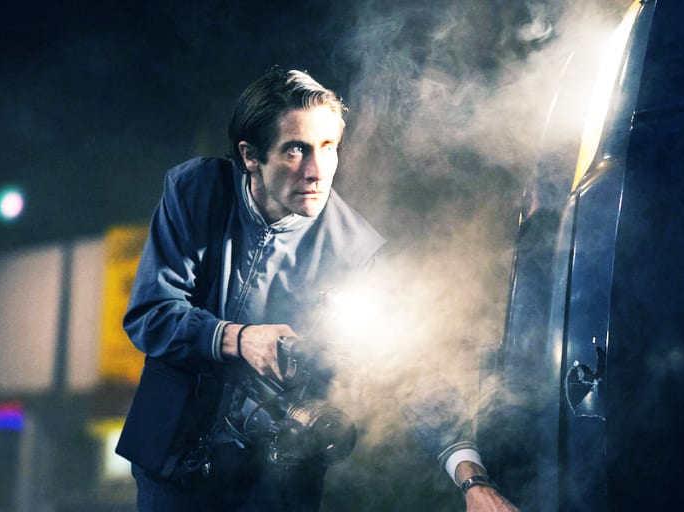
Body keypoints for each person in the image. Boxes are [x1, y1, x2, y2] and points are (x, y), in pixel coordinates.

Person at [116, 67, 519, 512]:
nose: (316, 171)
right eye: (296, 149)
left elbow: (411, 372)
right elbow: (151, 315)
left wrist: (472, 479)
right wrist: (241, 338)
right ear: (250, 156)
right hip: (173, 466)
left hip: (277, 484)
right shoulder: (196, 191)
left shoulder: (354, 249)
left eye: (329, 148)